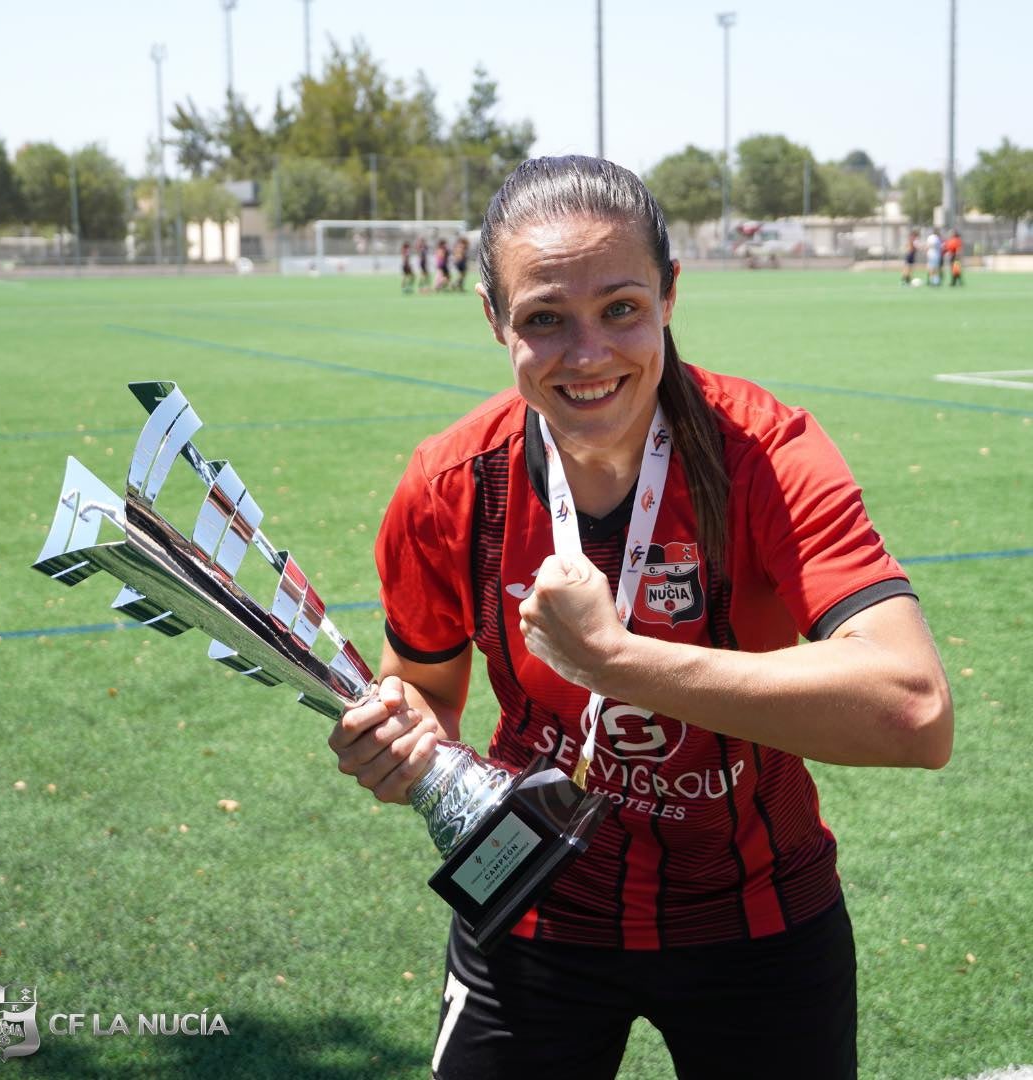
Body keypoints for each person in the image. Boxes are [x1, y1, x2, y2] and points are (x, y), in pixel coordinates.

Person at [328, 156, 953, 1080]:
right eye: (545, 319)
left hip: (759, 914)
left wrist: (616, 662)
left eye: (621, 308)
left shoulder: (767, 453)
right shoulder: (451, 483)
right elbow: (421, 688)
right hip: (530, 901)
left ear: (669, 295)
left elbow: (914, 711)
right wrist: (402, 746)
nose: (588, 356)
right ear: (495, 319)